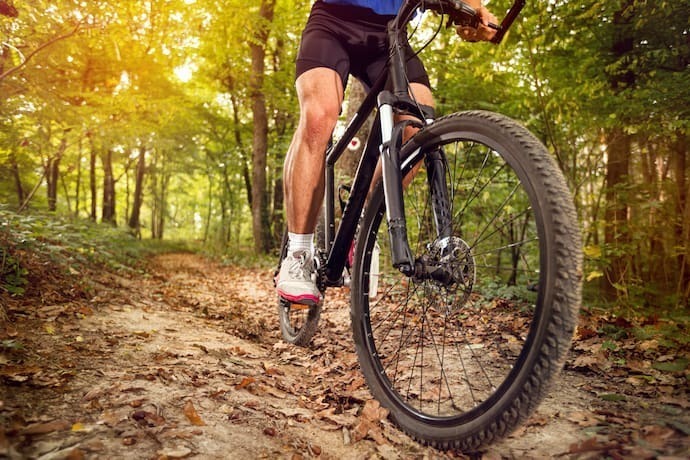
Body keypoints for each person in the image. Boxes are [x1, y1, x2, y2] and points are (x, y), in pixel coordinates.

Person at [276, 0, 497, 305]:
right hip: (332, 22)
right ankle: (298, 252)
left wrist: (475, 13)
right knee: (318, 116)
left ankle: (362, 227)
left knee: (416, 130)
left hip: (391, 32)